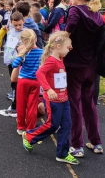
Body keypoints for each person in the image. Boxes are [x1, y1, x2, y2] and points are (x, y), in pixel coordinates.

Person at [22, 31, 78, 165]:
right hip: (53, 101)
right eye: (67, 47)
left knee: (66, 125)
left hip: (64, 100)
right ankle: (29, 136)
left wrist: (68, 42)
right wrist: (48, 89)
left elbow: (64, 48)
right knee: (52, 125)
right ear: (58, 47)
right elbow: (39, 73)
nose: (69, 50)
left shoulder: (60, 58)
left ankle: (63, 154)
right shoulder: (52, 61)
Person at [65, 0, 104, 157]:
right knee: (89, 105)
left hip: (75, 66)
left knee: (75, 105)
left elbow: (71, 25)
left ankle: (77, 145)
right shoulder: (96, 14)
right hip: (91, 65)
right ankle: (96, 142)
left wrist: (63, 38)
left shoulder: (75, 10)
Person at [12, 29, 44, 135]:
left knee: (21, 105)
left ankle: (21, 127)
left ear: (23, 41)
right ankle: (30, 128)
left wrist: (20, 56)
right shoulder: (41, 52)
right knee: (32, 105)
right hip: (35, 81)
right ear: (35, 39)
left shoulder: (24, 52)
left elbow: (15, 64)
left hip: (23, 81)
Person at [0, 12, 25, 117]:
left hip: (21, 62)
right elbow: (9, 49)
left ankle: (15, 108)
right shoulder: (10, 32)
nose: (18, 27)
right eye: (15, 25)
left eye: (20, 24)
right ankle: (16, 106)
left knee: (17, 84)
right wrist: (8, 60)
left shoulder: (26, 33)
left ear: (23, 21)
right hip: (12, 62)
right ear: (11, 23)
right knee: (14, 83)